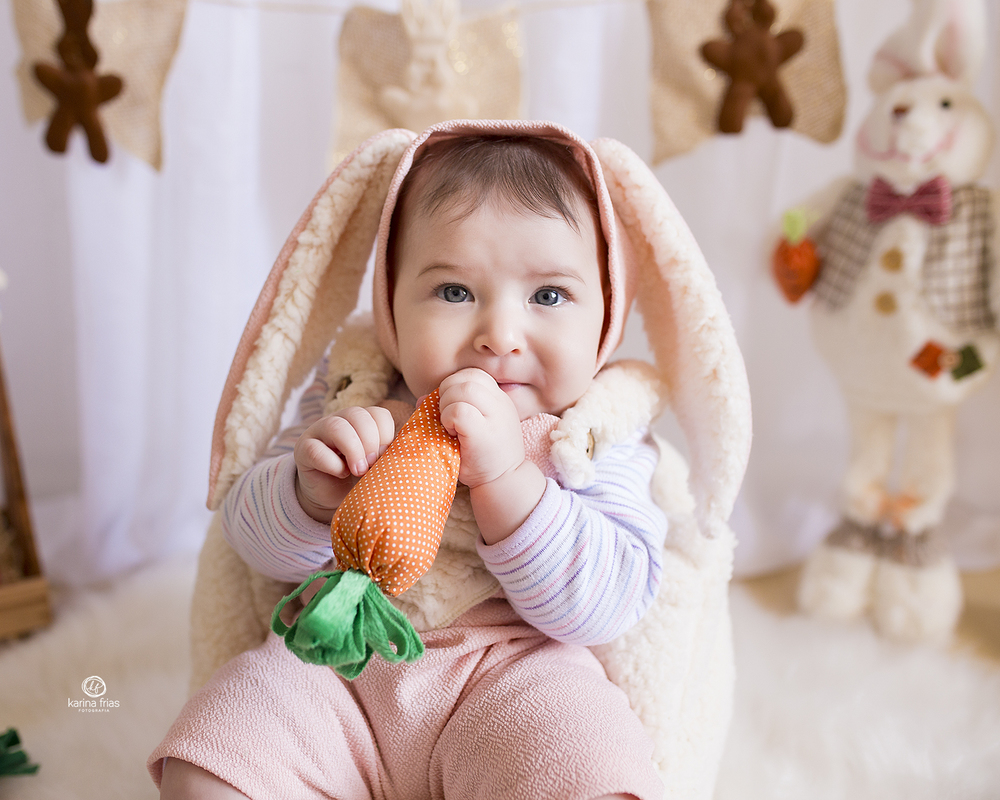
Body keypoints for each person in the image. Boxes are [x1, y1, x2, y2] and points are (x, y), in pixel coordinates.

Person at [151, 126, 670, 800]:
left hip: (517, 679)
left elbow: (608, 604)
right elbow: (250, 541)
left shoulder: (595, 434)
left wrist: (509, 482)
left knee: (588, 764)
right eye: (454, 292)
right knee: (219, 747)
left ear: (607, 316)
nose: (500, 336)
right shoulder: (358, 393)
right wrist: (310, 495)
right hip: (339, 668)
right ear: (390, 305)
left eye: (547, 297)